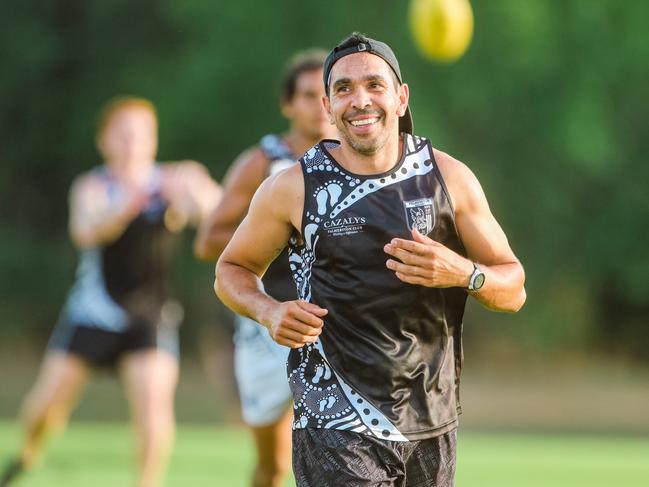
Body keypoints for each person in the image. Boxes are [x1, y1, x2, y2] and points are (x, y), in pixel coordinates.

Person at [214, 32, 526, 486]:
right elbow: (231, 269)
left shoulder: (448, 179)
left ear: (401, 98)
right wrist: (268, 310)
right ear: (327, 106)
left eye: (374, 85)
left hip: (430, 416)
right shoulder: (294, 187)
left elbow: (513, 288)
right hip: (334, 414)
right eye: (343, 89)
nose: (360, 100)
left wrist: (462, 272)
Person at [0, 96, 221, 487]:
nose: (132, 143)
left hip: (150, 313)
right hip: (94, 311)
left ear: (153, 140)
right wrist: (128, 205)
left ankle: (147, 483)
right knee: (46, 407)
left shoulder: (172, 179)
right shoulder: (93, 187)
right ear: (104, 141)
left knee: (153, 404)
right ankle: (29, 452)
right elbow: (86, 230)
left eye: (141, 134)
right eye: (123, 134)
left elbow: (217, 210)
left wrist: (192, 198)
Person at [194, 49, 336, 487]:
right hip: (266, 325)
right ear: (287, 105)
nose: (321, 105)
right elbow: (209, 241)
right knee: (272, 465)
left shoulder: (355, 158)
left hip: (334, 324)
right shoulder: (263, 161)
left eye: (328, 93)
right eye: (309, 95)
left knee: (340, 458)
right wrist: (279, 233)